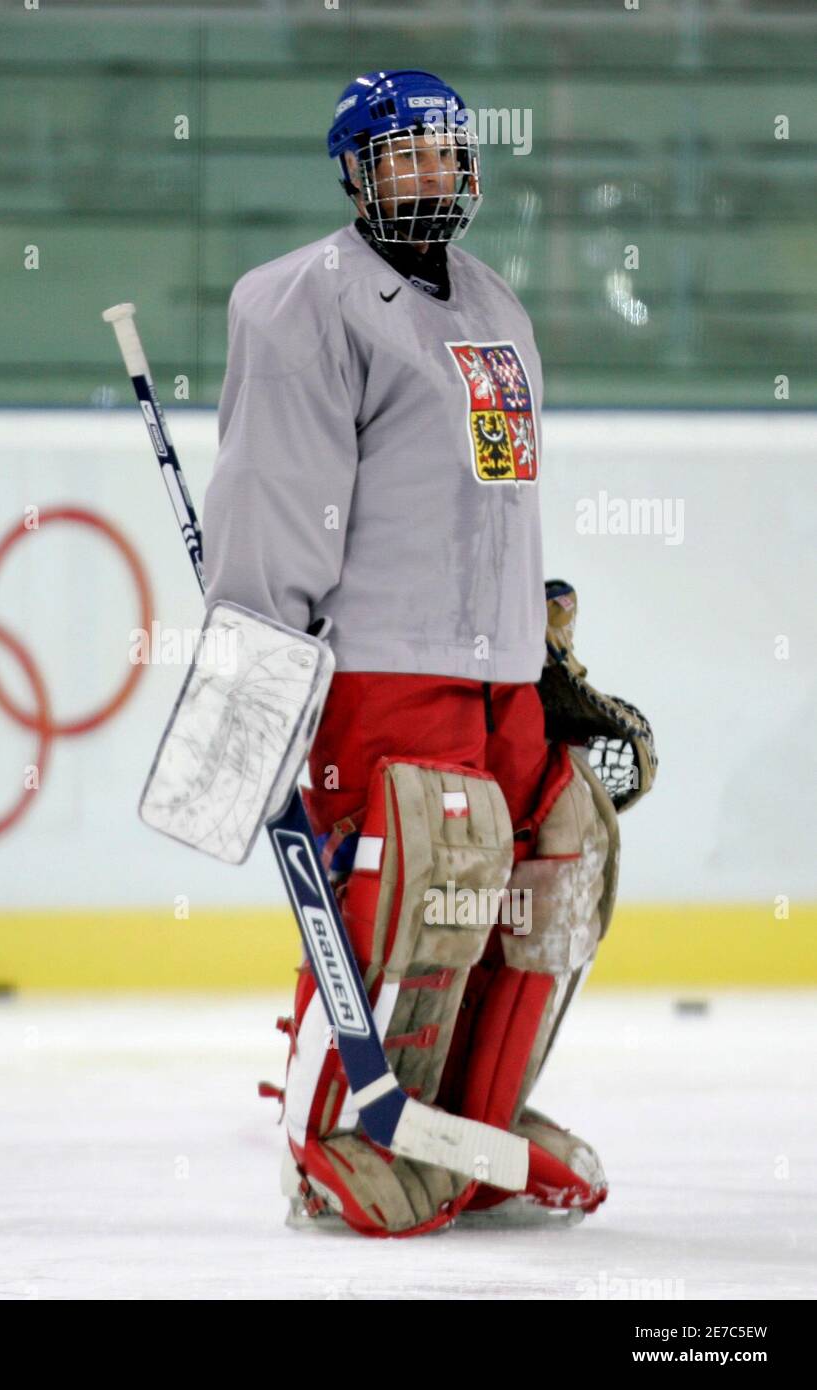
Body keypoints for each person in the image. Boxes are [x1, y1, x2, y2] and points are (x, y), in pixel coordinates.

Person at [202, 70, 619, 1237]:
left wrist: (544, 647)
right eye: (400, 157)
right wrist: (260, 666)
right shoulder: (301, 303)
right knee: (422, 882)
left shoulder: (495, 306)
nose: (427, 177)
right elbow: (272, 500)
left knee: (549, 870)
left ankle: (477, 1117)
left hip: (497, 666)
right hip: (381, 660)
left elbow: (494, 498)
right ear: (354, 173)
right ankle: (329, 1126)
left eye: (443, 155)